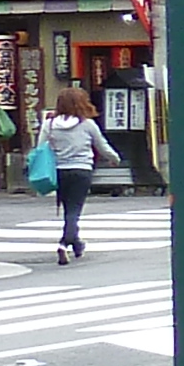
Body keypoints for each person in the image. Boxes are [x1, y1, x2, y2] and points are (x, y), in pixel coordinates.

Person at [39, 83, 112, 265]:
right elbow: (102, 146)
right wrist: (115, 158)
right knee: (74, 210)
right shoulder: (87, 124)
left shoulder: (50, 124)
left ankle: (77, 243)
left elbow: (40, 147)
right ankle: (64, 243)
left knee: (68, 208)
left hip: (59, 171)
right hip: (82, 170)